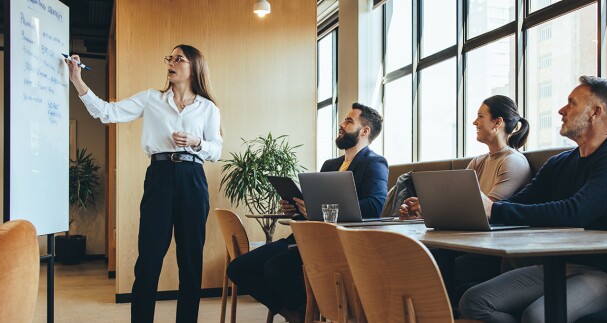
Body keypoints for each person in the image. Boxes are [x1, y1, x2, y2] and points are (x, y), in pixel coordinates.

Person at [459, 76, 607, 323]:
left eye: (571, 103)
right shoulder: (559, 162)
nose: (561, 110)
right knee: (474, 301)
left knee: (537, 316)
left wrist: (494, 210)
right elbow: (520, 202)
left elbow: (576, 213)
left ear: (596, 112)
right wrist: (474, 208)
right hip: (560, 265)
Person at [66, 45, 223, 323]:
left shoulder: (207, 107)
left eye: (178, 59)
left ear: (194, 67)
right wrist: (77, 80)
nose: (171, 63)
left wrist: (196, 142)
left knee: (190, 262)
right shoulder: (152, 98)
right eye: (169, 58)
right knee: (148, 260)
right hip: (160, 177)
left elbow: (217, 150)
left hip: (193, 179)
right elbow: (107, 112)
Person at [226, 102, 388, 322]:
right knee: (238, 268)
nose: (341, 124)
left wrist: (318, 209)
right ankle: (297, 314)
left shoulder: (375, 163)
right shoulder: (330, 165)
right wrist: (297, 208)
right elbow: (314, 211)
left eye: (349, 121)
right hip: (305, 238)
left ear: (365, 131)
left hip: (336, 245)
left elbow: (375, 205)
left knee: (275, 268)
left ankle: (307, 312)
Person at [398, 95, 531, 218]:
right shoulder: (477, 162)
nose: (475, 122)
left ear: (497, 123)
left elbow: (487, 209)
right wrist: (420, 213)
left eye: (480, 116)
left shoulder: (514, 161)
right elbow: (458, 202)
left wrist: (429, 208)